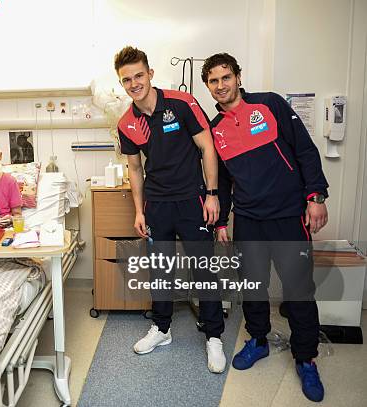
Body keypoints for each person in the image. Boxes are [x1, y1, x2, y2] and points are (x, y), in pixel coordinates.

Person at [201, 53, 329, 402]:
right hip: (249, 220)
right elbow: (223, 182)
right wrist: (223, 221)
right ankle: (258, 340)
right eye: (213, 81)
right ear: (208, 87)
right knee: (253, 286)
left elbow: (304, 150)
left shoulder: (270, 104)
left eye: (226, 77)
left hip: (289, 215)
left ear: (238, 77)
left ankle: (306, 358)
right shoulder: (215, 130)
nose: (221, 85)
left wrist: (316, 195)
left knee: (299, 290)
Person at [114, 46, 226, 373]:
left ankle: (213, 335)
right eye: (126, 80)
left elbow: (207, 147)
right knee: (160, 269)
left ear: (150, 74)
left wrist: (212, 194)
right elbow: (135, 169)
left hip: (192, 199)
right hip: (157, 204)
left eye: (138, 75)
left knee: (203, 268)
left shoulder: (181, 103)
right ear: (121, 84)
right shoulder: (127, 123)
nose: (134, 83)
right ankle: (162, 329)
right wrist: (138, 211)